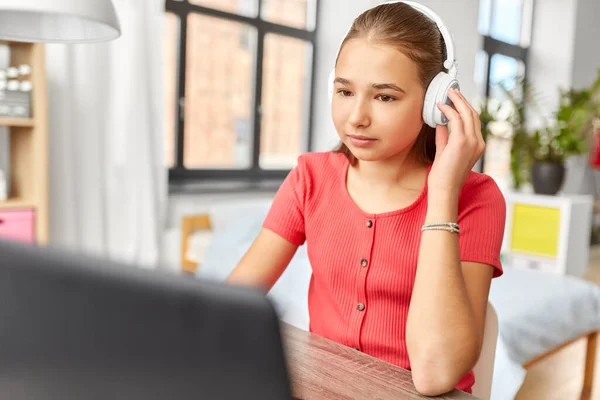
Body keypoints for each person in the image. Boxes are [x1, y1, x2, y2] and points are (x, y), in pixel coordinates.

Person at [226, 1, 506, 396]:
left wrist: (442, 193)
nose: (356, 116)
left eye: (385, 97)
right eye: (344, 90)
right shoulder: (311, 177)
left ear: (436, 104)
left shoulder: (477, 198)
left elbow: (435, 375)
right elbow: (230, 304)